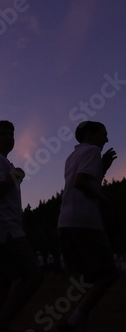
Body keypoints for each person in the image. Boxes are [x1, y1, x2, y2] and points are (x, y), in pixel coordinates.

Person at [0, 120, 42, 332]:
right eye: (3, 134)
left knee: (2, 282)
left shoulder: (0, 161)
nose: (9, 137)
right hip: (3, 226)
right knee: (33, 275)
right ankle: (0, 324)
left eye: (11, 134)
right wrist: (16, 175)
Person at [57, 121, 119, 332]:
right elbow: (81, 182)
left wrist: (102, 169)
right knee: (110, 272)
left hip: (66, 222)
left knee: (88, 278)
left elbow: (83, 180)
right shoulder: (92, 150)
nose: (106, 139)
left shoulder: (72, 156)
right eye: (103, 134)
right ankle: (73, 323)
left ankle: (78, 321)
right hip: (85, 222)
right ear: (90, 134)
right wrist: (103, 200)